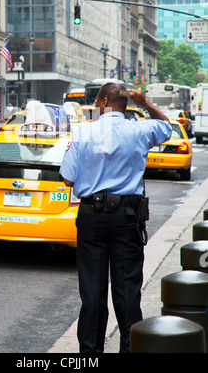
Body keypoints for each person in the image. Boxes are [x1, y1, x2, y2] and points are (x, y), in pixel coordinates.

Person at [59, 83, 172, 354]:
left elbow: (67, 178)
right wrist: (144, 103)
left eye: (98, 101)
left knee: (93, 295)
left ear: (105, 101)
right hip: (127, 217)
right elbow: (168, 127)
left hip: (91, 218)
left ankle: (90, 354)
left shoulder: (84, 131)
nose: (97, 106)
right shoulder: (140, 129)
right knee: (127, 293)